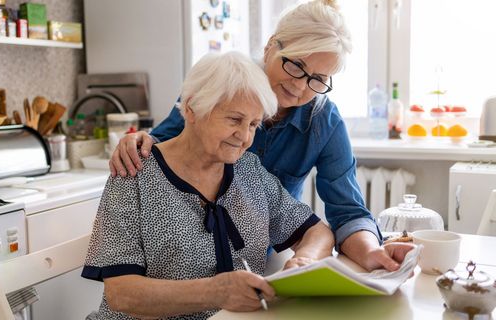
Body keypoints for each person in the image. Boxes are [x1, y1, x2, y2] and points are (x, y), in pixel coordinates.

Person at [108, 0, 415, 272]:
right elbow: (161, 148)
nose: (300, 86)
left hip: (257, 260)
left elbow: (347, 211)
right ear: (271, 46)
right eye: (296, 65)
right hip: (185, 260)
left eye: (318, 79)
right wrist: (138, 140)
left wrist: (373, 252)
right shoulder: (221, 85)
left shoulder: (324, 122)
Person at [82, 51, 334, 319]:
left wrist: (303, 261)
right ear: (191, 108)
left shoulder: (249, 170)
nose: (244, 137)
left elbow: (318, 232)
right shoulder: (134, 172)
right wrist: (216, 292)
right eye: (235, 120)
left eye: (253, 124)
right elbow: (121, 293)